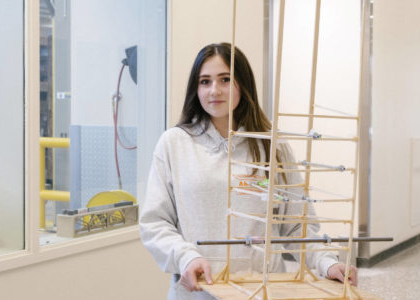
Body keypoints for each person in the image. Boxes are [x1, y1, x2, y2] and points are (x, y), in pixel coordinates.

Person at [139, 43, 357, 299]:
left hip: (261, 291)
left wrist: (326, 262)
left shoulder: (273, 146)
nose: (214, 90)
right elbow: (155, 222)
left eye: (225, 79)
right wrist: (186, 258)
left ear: (243, 84)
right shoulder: (173, 144)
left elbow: (297, 226)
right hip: (198, 291)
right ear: (195, 88)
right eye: (205, 81)